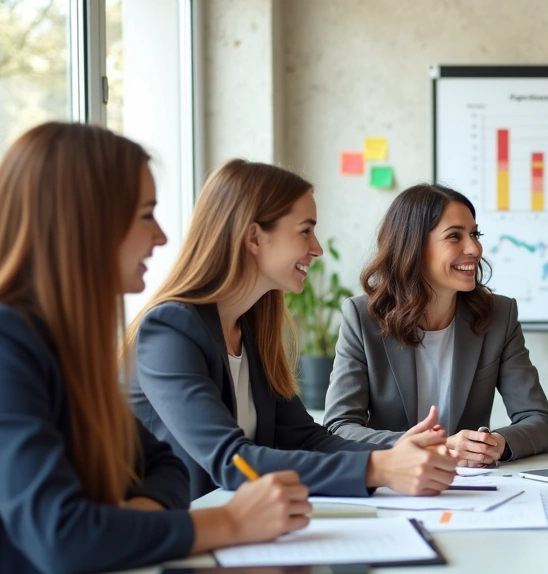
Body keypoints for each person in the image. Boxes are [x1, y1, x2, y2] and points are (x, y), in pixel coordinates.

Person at [0, 124, 309, 574]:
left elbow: (163, 467)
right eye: (147, 215)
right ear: (86, 222)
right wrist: (229, 524)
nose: (162, 235)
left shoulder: (63, 346)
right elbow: (64, 536)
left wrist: (118, 523)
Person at [128, 160, 456, 499]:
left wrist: (393, 453)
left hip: (246, 529)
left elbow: (306, 438)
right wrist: (380, 469)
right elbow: (231, 461)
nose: (317, 248)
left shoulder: (252, 331)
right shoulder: (169, 330)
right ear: (254, 237)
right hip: (184, 538)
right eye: (305, 230)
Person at [323, 184, 548, 465]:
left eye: (474, 234)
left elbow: (540, 421)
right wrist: (433, 447)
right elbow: (339, 427)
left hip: (474, 489)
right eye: (454, 236)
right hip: (394, 485)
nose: (474, 248)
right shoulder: (362, 318)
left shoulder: (499, 315)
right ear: (414, 246)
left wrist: (496, 444)